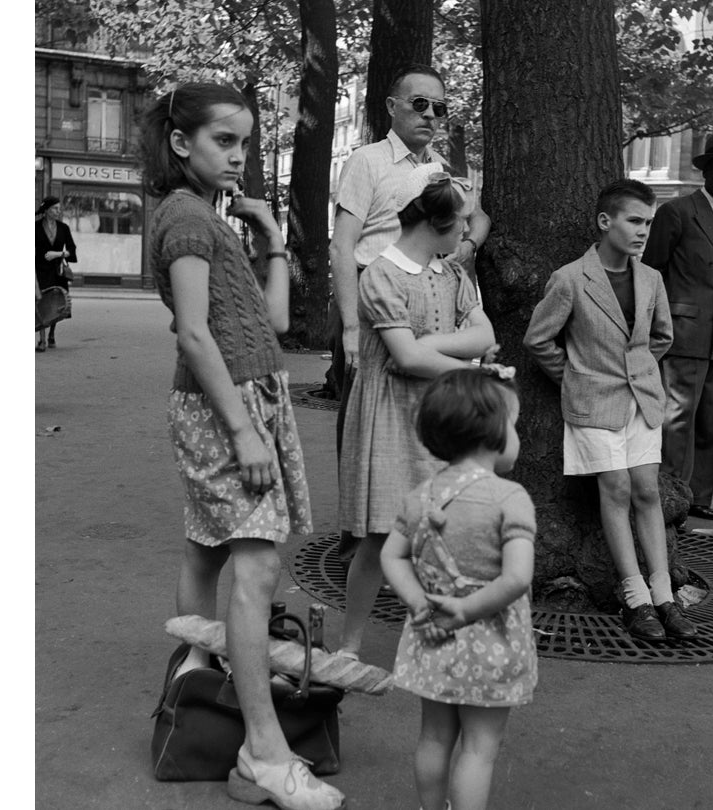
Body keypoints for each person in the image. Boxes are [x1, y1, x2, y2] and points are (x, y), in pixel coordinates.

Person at [142, 81, 345, 810]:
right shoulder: (188, 219)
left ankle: (195, 679)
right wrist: (241, 429)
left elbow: (278, 319)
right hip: (228, 404)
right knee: (257, 569)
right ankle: (263, 751)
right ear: (180, 142)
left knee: (208, 547)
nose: (239, 156)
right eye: (224, 141)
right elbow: (194, 334)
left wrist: (273, 239)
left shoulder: (208, 218)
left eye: (246, 143)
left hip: (248, 394)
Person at [329, 63, 492, 564]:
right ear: (392, 106)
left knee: (425, 419)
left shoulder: (441, 169)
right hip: (370, 303)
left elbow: (476, 217)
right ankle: (358, 533)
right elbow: (341, 246)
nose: (429, 114)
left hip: (429, 306)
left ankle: (412, 531)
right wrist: (351, 327)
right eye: (418, 103)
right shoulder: (367, 161)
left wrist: (466, 245)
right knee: (364, 420)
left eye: (439, 107)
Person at [522, 179, 697, 642]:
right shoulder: (571, 278)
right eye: (634, 221)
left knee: (646, 490)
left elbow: (661, 337)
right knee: (615, 488)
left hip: (641, 400)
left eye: (648, 223)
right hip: (592, 404)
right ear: (605, 221)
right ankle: (635, 597)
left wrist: (637, 371)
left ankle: (665, 595)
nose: (643, 231)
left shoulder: (651, 278)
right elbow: (538, 339)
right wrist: (577, 377)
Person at [337, 163, 497, 661]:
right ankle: (349, 644)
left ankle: (435, 635)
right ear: (434, 223)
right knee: (382, 535)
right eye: (463, 223)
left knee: (438, 532)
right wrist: (465, 367)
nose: (469, 232)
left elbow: (484, 335)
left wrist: (434, 343)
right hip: (390, 415)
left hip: (436, 414)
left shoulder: (451, 273)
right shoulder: (382, 275)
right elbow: (405, 359)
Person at [380, 367, 536, 810]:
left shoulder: (420, 496)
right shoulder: (510, 499)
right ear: (494, 433)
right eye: (515, 425)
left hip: (433, 634)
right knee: (479, 749)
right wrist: (467, 611)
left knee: (433, 737)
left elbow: (391, 556)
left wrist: (418, 604)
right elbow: (517, 577)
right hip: (490, 639)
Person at [641, 131, 713, 522]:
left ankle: (699, 497)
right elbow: (651, 271)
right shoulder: (677, 211)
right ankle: (671, 497)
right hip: (682, 334)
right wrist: (655, 327)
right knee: (678, 419)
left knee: (711, 419)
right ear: (706, 172)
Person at [35, 196, 77, 351]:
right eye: (55, 208)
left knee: (56, 302)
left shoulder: (63, 228)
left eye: (59, 208)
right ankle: (42, 340)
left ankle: (52, 333)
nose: (58, 211)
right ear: (46, 210)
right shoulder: (35, 227)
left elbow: (72, 251)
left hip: (57, 271)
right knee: (40, 302)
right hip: (39, 270)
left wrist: (58, 254)